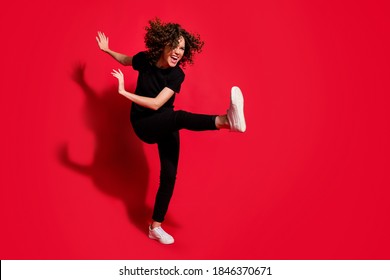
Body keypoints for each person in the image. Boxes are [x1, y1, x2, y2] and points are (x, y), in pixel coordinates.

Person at [96, 18, 246, 245]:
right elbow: (126, 60)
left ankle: (155, 227)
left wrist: (125, 93)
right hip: (143, 123)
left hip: (164, 121)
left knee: (169, 175)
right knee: (180, 118)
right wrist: (107, 50)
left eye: (182, 49)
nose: (178, 52)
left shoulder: (177, 75)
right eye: (175, 46)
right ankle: (226, 121)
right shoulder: (146, 59)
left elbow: (158, 103)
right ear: (164, 44)